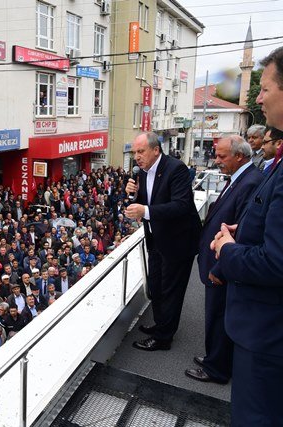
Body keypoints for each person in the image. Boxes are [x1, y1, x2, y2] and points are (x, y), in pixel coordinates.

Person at [211, 46, 283, 425]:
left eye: (266, 88)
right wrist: (248, 228)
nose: (257, 96)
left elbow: (276, 262)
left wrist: (227, 249)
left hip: (267, 337)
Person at [185, 135, 263, 385]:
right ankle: (214, 358)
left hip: (223, 266)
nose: (216, 160)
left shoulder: (250, 182)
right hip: (220, 261)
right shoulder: (241, 179)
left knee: (218, 316)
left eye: (221, 156)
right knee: (217, 315)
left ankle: (216, 369)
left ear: (239, 156)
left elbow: (243, 232)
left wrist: (220, 267)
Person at [125, 131, 201, 351]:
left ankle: (163, 338)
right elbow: (143, 202)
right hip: (157, 238)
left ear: (156, 150)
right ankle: (160, 324)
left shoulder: (175, 169)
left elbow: (181, 205)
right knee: (157, 285)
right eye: (134, 152)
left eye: (141, 151)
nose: (137, 157)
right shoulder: (142, 172)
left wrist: (145, 209)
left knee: (171, 290)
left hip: (178, 242)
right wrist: (133, 195)